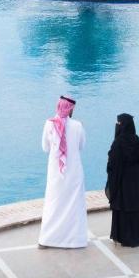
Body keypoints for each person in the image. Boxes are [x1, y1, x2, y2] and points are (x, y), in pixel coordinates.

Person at [38, 96, 88, 249]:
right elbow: (82, 146)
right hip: (74, 171)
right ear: (71, 108)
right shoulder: (78, 125)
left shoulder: (49, 124)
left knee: (54, 203)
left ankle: (48, 239)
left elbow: (45, 148)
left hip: (55, 172)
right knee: (74, 204)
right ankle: (75, 241)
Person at [106, 113, 139, 248]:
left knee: (122, 206)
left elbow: (113, 164)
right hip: (133, 180)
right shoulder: (137, 140)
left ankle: (122, 236)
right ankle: (135, 236)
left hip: (122, 181)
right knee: (133, 206)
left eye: (119, 123)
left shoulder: (118, 143)